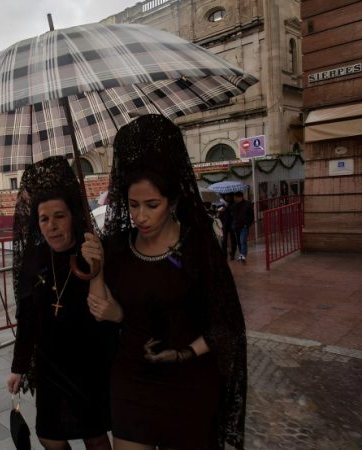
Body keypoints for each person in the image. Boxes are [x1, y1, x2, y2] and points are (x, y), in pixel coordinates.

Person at [83, 114, 247, 450]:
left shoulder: (198, 248)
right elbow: (100, 312)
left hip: (189, 382)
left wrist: (182, 354)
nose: (140, 216)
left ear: (172, 201)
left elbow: (226, 325)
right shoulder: (116, 246)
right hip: (132, 380)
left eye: (151, 205)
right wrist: (97, 269)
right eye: (132, 205)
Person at [6, 157, 114, 450]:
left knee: (93, 435)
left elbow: (106, 313)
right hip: (50, 365)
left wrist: (99, 267)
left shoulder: (92, 253)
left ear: (73, 216)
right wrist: (18, 367)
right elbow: (26, 319)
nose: (51, 226)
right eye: (44, 219)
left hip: (88, 363)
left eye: (59, 216)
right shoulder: (34, 260)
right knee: (49, 436)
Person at [230, 191, 254, 263]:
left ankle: (243, 256)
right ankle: (241, 255)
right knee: (239, 242)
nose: (234, 199)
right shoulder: (233, 205)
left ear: (240, 197)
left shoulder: (247, 204)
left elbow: (251, 216)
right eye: (234, 198)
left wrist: (247, 224)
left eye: (235, 197)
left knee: (242, 241)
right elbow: (232, 215)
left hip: (244, 226)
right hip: (236, 226)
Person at [217, 193, 237, 260]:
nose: (227, 197)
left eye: (228, 196)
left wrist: (228, 207)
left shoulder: (233, 204)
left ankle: (233, 254)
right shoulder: (222, 204)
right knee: (223, 240)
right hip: (224, 224)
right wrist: (222, 210)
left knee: (233, 239)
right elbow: (219, 216)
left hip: (232, 224)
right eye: (226, 196)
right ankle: (224, 255)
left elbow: (235, 213)